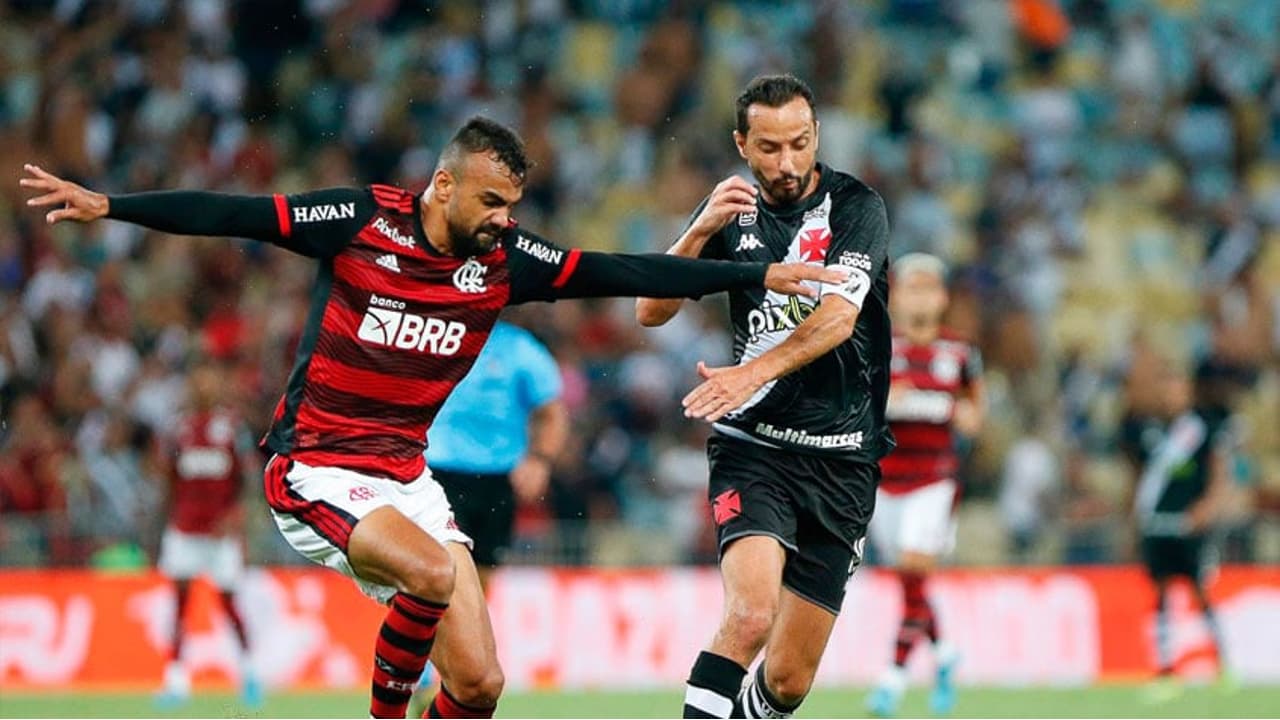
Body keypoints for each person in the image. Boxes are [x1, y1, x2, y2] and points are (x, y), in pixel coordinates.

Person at [21, 116, 842, 720]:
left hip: (405, 479)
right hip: (314, 465)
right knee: (433, 574)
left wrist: (755, 274)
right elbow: (234, 213)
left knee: (481, 684)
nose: (503, 220)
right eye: (490, 201)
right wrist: (111, 205)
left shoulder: (502, 260)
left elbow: (612, 268)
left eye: (513, 205)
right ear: (442, 184)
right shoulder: (356, 221)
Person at [636, 74, 893, 720]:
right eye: (770, 148)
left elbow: (836, 320)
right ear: (742, 145)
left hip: (843, 461)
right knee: (750, 614)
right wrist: (698, 234)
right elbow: (650, 310)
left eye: (800, 144)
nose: (786, 164)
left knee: (787, 681)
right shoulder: (733, 210)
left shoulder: (858, 208)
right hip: (756, 451)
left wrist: (752, 373)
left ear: (816, 138)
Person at [407, 318, 568, 717]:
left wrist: (540, 459)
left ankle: (452, 671)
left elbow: (552, 410)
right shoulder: (437, 332)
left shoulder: (518, 347)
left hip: (496, 481)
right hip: (437, 474)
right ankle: (429, 677)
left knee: (478, 588)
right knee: (441, 582)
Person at [865, 253, 985, 717]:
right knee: (909, 579)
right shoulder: (877, 347)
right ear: (895, 295)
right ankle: (945, 653)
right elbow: (857, 405)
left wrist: (948, 408)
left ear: (943, 298)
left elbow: (975, 417)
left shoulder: (959, 353)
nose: (920, 296)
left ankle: (892, 678)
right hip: (885, 479)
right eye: (911, 287)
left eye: (928, 288)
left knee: (914, 566)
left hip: (935, 478)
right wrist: (885, 401)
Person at [154, 359, 261, 708]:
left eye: (210, 381)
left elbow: (246, 481)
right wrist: (169, 518)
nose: (204, 387)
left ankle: (248, 674)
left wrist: (235, 519)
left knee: (229, 604)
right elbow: (168, 478)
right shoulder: (178, 429)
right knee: (180, 606)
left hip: (220, 533)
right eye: (198, 381)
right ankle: (175, 681)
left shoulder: (231, 429)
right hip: (184, 529)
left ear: (218, 386)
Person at [1133, 363, 1235, 703]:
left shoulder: (1202, 428)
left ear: (1187, 391)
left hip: (1187, 524)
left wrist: (1208, 505)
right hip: (1158, 523)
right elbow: (1142, 475)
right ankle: (1166, 671)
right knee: (1161, 593)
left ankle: (1224, 664)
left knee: (1199, 590)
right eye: (1166, 388)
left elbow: (1220, 469)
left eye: (1176, 388)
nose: (1170, 395)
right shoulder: (1150, 430)